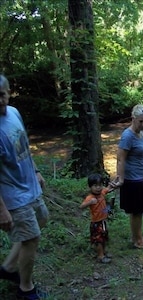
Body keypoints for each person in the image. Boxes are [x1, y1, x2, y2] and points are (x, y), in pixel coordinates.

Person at [0, 74, 49, 299]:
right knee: (31, 238)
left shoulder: (14, 113)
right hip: (12, 195)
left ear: (9, 92)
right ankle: (26, 289)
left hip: (29, 185)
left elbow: (25, 147)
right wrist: (2, 210)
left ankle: (8, 268)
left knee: (42, 219)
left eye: (1, 95)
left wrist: (36, 170)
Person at [113, 104, 143, 251]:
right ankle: (138, 241)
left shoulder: (139, 133)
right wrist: (121, 178)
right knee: (137, 211)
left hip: (139, 176)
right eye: (140, 121)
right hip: (132, 179)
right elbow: (120, 159)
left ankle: (136, 238)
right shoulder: (128, 136)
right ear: (133, 118)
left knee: (138, 210)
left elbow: (141, 154)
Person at [79, 174, 114, 263]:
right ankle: (100, 256)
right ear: (90, 187)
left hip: (103, 221)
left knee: (104, 237)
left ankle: (104, 252)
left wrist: (112, 185)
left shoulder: (101, 193)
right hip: (96, 222)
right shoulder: (90, 197)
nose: (98, 188)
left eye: (100, 185)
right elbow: (81, 206)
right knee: (98, 239)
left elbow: (107, 189)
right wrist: (90, 202)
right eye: (95, 186)